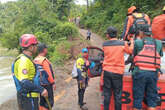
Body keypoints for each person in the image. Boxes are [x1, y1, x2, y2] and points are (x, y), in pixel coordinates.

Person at [12, 34, 48, 110]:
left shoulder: (27, 59)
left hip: (30, 97)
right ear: (31, 47)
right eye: (35, 45)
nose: (37, 47)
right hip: (28, 99)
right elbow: (24, 82)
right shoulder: (24, 61)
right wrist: (41, 89)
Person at [132, 24, 163, 110]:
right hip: (153, 73)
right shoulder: (159, 43)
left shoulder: (138, 42)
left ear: (141, 33)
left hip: (140, 73)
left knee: (138, 99)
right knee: (152, 100)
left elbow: (133, 56)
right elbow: (160, 55)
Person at [102, 26, 133, 110]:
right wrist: (132, 41)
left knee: (107, 94)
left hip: (107, 71)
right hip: (118, 72)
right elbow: (130, 51)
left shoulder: (104, 44)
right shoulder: (122, 43)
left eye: (107, 34)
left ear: (108, 35)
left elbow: (104, 55)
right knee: (118, 94)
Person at [34, 43, 56, 110]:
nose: (47, 49)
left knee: (42, 102)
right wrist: (53, 83)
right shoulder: (44, 60)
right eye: (46, 48)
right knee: (49, 103)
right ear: (44, 50)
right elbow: (48, 73)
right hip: (47, 84)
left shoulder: (35, 59)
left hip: (39, 85)